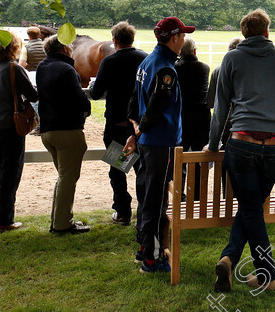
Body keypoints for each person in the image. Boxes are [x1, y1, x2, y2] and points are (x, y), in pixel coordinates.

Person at [207, 9, 275, 293]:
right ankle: (236, 260)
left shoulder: (231, 58)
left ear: (245, 33)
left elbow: (221, 109)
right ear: (267, 32)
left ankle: (262, 273)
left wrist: (213, 145)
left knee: (249, 206)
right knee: (252, 206)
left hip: (243, 142)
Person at [125, 16, 193, 273]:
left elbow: (133, 99)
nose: (184, 39)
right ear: (174, 38)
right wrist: (142, 127)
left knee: (146, 195)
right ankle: (152, 258)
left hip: (147, 141)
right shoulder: (166, 68)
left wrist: (135, 128)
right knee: (155, 200)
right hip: (161, 142)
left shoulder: (147, 61)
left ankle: (144, 247)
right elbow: (156, 106)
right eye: (182, 35)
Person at [88, 21, 148, 225]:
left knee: (118, 170)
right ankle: (145, 211)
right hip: (141, 127)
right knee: (143, 170)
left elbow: (95, 94)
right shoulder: (145, 59)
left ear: (115, 40)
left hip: (118, 125)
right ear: (132, 39)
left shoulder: (110, 61)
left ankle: (123, 212)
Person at [0, 32, 37, 233]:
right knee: (10, 175)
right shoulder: (14, 69)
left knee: (2, 174)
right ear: (14, 47)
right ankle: (4, 221)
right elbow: (33, 95)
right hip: (11, 128)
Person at [37, 35, 92, 234]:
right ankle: (62, 224)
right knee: (68, 179)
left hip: (48, 130)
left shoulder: (42, 68)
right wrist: (87, 106)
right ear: (63, 49)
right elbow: (79, 98)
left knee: (63, 178)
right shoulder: (67, 70)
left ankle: (58, 220)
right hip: (67, 131)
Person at [175, 36, 210, 198]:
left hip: (182, 117)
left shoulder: (175, 68)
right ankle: (196, 196)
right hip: (201, 118)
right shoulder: (204, 68)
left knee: (179, 156)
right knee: (198, 158)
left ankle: (180, 193)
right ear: (195, 51)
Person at [206, 37, 242, 150]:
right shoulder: (247, 72)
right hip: (240, 122)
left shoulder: (217, 71)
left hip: (223, 122)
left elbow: (211, 101)